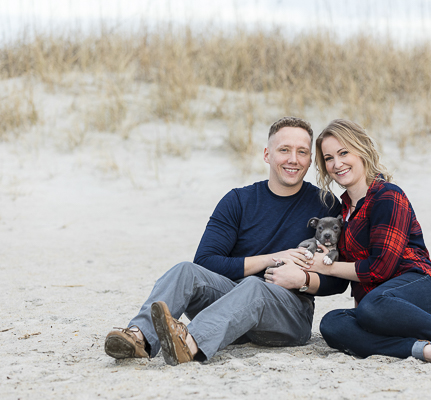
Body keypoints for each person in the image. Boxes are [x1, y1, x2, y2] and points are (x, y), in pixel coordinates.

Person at [104, 116, 347, 366]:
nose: (293, 159)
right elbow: (206, 261)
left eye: (302, 152)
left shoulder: (325, 204)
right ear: (267, 154)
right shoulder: (238, 201)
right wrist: (273, 259)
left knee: (255, 286)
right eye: (284, 150)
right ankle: (139, 338)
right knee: (184, 270)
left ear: (309, 159)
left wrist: (304, 280)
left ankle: (188, 345)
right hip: (229, 310)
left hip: (290, 314)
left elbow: (338, 281)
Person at [303, 119, 431, 366]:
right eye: (329, 158)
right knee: (332, 323)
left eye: (344, 153)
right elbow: (346, 276)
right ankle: (427, 350)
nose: (337, 164)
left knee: (372, 305)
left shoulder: (387, 195)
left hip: (421, 292)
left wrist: (324, 266)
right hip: (377, 312)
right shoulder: (340, 212)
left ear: (362, 150)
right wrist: (302, 272)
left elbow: (379, 268)